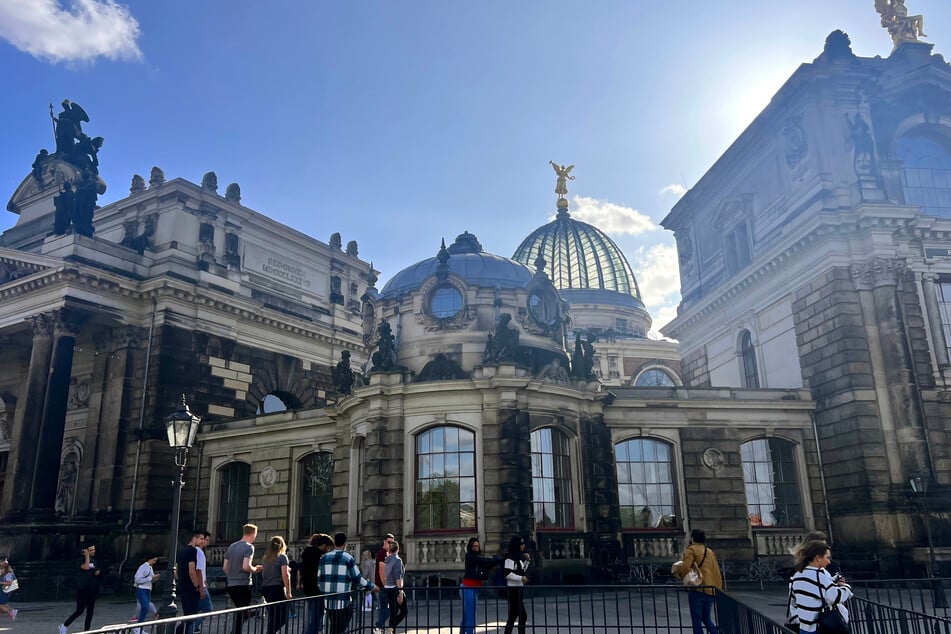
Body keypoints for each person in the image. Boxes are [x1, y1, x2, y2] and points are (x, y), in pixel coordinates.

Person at [318, 532, 377, 634]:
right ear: (345, 544)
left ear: (334, 543)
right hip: (342, 601)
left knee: (334, 625)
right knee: (342, 622)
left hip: (327, 600)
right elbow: (358, 578)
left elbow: (318, 578)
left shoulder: (324, 558)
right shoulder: (347, 558)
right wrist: (371, 586)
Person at [790, 541, 852, 633]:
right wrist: (846, 588)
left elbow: (794, 600)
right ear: (818, 558)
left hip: (804, 627)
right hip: (819, 626)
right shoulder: (819, 575)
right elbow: (834, 597)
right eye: (827, 557)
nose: (829, 561)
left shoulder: (797, 576)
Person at [674, 529, 723, 634]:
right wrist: (717, 588)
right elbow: (716, 571)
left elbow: (685, 567)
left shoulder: (691, 550)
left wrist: (681, 576)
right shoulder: (709, 552)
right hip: (710, 589)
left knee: (697, 621)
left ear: (692, 538)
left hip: (698, 588)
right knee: (707, 619)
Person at [223, 524, 263, 634]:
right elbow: (246, 567)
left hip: (231, 584)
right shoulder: (249, 547)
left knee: (239, 611)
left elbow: (225, 567)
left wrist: (232, 577)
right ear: (253, 534)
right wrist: (255, 569)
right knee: (242, 613)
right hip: (244, 584)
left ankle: (249, 615)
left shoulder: (231, 546)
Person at [59, 543, 102, 634]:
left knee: (90, 611)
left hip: (92, 588)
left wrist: (97, 573)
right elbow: (86, 567)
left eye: (94, 550)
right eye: (90, 550)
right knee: (79, 610)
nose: (93, 552)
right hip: (83, 589)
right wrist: (86, 556)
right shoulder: (80, 560)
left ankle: (87, 630)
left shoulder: (95, 561)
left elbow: (96, 570)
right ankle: (65, 625)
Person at [460, 537, 498, 634]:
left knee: (467, 615)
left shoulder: (478, 557)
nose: (476, 548)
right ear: (470, 547)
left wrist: (496, 561)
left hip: (474, 588)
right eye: (474, 546)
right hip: (468, 588)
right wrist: (493, 559)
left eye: (477, 546)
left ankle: (462, 632)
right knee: (470, 615)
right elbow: (482, 560)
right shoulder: (470, 556)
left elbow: (487, 565)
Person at [300, 533, 334, 634]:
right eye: (328, 548)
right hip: (316, 589)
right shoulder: (317, 555)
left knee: (313, 617)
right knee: (316, 618)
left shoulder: (307, 553)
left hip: (308, 588)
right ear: (323, 545)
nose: (327, 550)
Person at [261, 536, 293, 634]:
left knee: (272, 615)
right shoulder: (282, 557)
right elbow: (285, 575)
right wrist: (288, 592)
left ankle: (270, 631)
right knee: (283, 616)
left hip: (265, 587)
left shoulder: (266, 558)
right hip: (276, 587)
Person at [176, 530, 206, 634]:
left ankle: (181, 631)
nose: (202, 542)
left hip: (183, 586)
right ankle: (180, 631)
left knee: (188, 614)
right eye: (201, 538)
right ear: (195, 538)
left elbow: (177, 569)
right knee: (191, 616)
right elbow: (192, 571)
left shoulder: (182, 551)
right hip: (191, 588)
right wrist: (197, 586)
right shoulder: (193, 551)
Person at [502, 536, 530, 634]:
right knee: (522, 615)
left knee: (513, 616)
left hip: (519, 588)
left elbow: (521, 571)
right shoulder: (510, 557)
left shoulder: (518, 557)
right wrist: (521, 578)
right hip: (513, 589)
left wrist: (527, 561)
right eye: (521, 544)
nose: (523, 546)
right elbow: (507, 574)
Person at [383, 540, 407, 634]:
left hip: (388, 587)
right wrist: (400, 592)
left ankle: (391, 630)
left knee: (394, 611)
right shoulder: (397, 560)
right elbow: (398, 577)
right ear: (398, 549)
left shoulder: (387, 560)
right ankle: (390, 630)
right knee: (403, 611)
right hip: (395, 588)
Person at [374, 533, 395, 634]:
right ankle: (378, 626)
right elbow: (381, 571)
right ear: (384, 542)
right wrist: (386, 586)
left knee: (384, 609)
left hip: (384, 586)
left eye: (392, 542)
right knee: (391, 608)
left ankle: (379, 628)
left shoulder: (387, 553)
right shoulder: (382, 553)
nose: (390, 544)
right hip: (383, 586)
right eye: (389, 542)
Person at [195, 531, 214, 634]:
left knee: (197, 608)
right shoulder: (199, 552)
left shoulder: (199, 552)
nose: (207, 542)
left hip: (201, 584)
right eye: (206, 540)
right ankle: (192, 626)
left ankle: (192, 627)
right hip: (201, 586)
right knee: (208, 608)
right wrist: (202, 587)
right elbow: (198, 570)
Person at [132, 556, 159, 625]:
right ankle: (139, 622)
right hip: (142, 588)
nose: (154, 562)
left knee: (145, 605)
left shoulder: (150, 567)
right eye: (153, 560)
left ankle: (139, 621)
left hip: (147, 589)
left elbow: (151, 580)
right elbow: (138, 580)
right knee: (145, 606)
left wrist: (155, 578)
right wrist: (151, 578)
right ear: (149, 559)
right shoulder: (143, 567)